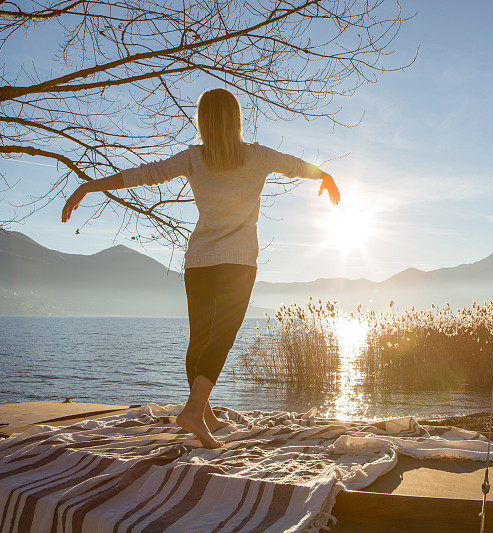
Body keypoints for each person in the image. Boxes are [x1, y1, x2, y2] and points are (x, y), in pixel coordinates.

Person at [61, 88, 340, 448]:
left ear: (203, 121)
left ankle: (204, 413)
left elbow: (145, 174)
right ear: (237, 120)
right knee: (221, 338)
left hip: (200, 263)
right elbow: (296, 166)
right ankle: (193, 412)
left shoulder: (193, 159)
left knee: (200, 339)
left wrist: (89, 186)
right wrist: (326, 175)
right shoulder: (258, 156)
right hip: (239, 263)